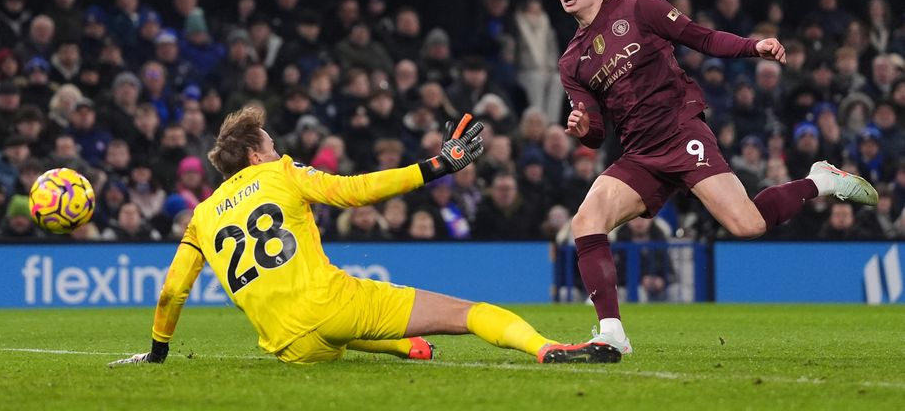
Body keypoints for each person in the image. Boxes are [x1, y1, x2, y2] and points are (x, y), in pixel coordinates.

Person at [111, 106, 616, 366]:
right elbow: (355, 191)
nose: (277, 146)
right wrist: (438, 165)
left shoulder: (199, 216)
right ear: (254, 155)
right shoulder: (281, 174)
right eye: (270, 142)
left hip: (287, 345)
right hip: (331, 308)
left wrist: (158, 352)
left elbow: (171, 291)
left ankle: (403, 346)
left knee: (338, 330)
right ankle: (547, 348)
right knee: (468, 313)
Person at [553, 0, 878, 356]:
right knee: (586, 221)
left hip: (680, 131)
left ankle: (822, 180)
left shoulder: (639, 7)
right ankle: (612, 333)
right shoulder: (571, 61)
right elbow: (596, 133)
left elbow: (701, 38)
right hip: (639, 154)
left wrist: (752, 46)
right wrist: (584, 130)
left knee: (747, 225)